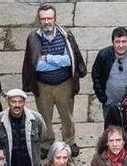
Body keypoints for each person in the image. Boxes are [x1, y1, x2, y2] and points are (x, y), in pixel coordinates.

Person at [22, 4, 87, 157]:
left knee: (67, 116)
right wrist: (56, 62)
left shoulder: (65, 35)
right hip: (43, 86)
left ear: (55, 18)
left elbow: (69, 60)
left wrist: (48, 58)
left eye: (49, 18)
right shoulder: (33, 38)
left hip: (65, 84)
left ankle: (69, 141)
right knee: (44, 118)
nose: (46, 22)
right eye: (43, 18)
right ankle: (46, 143)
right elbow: (37, 65)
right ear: (39, 20)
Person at [0, 88, 48, 166]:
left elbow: (43, 136)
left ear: (24, 102)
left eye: (20, 102)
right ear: (8, 102)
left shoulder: (37, 119)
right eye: (13, 101)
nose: (17, 105)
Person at [92, 27, 127, 116]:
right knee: (110, 128)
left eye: (124, 41)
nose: (121, 45)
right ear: (113, 43)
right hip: (110, 103)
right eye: (117, 42)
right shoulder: (103, 55)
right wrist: (103, 98)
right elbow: (96, 76)